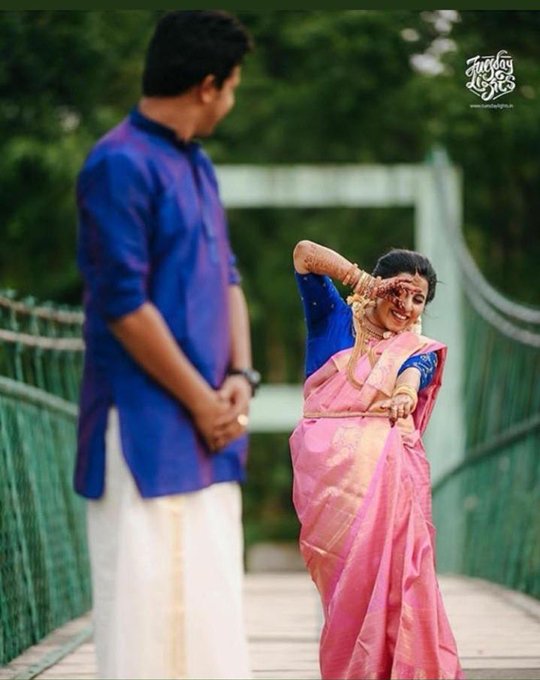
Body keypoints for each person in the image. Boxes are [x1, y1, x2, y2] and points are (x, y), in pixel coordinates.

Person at [75, 11, 259, 680]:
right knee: (143, 628)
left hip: (209, 431)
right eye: (234, 85)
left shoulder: (199, 166)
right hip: (143, 430)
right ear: (208, 85)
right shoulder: (117, 163)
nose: (232, 99)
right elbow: (123, 305)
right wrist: (203, 402)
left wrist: (240, 373)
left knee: (212, 626)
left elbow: (228, 277)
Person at [289, 240, 464, 680]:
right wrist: (362, 282)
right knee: (346, 595)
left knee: (397, 585)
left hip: (388, 486)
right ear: (380, 285)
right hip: (327, 487)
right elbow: (303, 254)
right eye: (399, 291)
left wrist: (405, 391)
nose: (405, 305)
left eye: (418, 298)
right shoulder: (331, 317)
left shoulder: (415, 349)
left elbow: (415, 372)